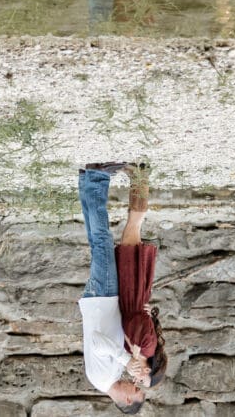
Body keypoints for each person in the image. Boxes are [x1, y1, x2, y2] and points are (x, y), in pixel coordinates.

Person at [77, 162, 150, 413]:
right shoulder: (110, 376)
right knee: (96, 242)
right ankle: (87, 182)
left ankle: (96, 178)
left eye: (136, 390)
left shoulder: (102, 378)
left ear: (128, 399)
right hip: (101, 301)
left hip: (101, 300)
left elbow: (98, 341)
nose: (135, 384)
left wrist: (127, 360)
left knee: (102, 241)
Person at [115, 163, 168, 389]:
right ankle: (140, 177)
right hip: (133, 294)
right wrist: (131, 345)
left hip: (133, 296)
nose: (136, 379)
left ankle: (139, 178)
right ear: (149, 370)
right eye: (141, 380)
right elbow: (132, 321)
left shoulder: (141, 350)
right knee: (132, 230)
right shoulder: (146, 349)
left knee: (131, 232)